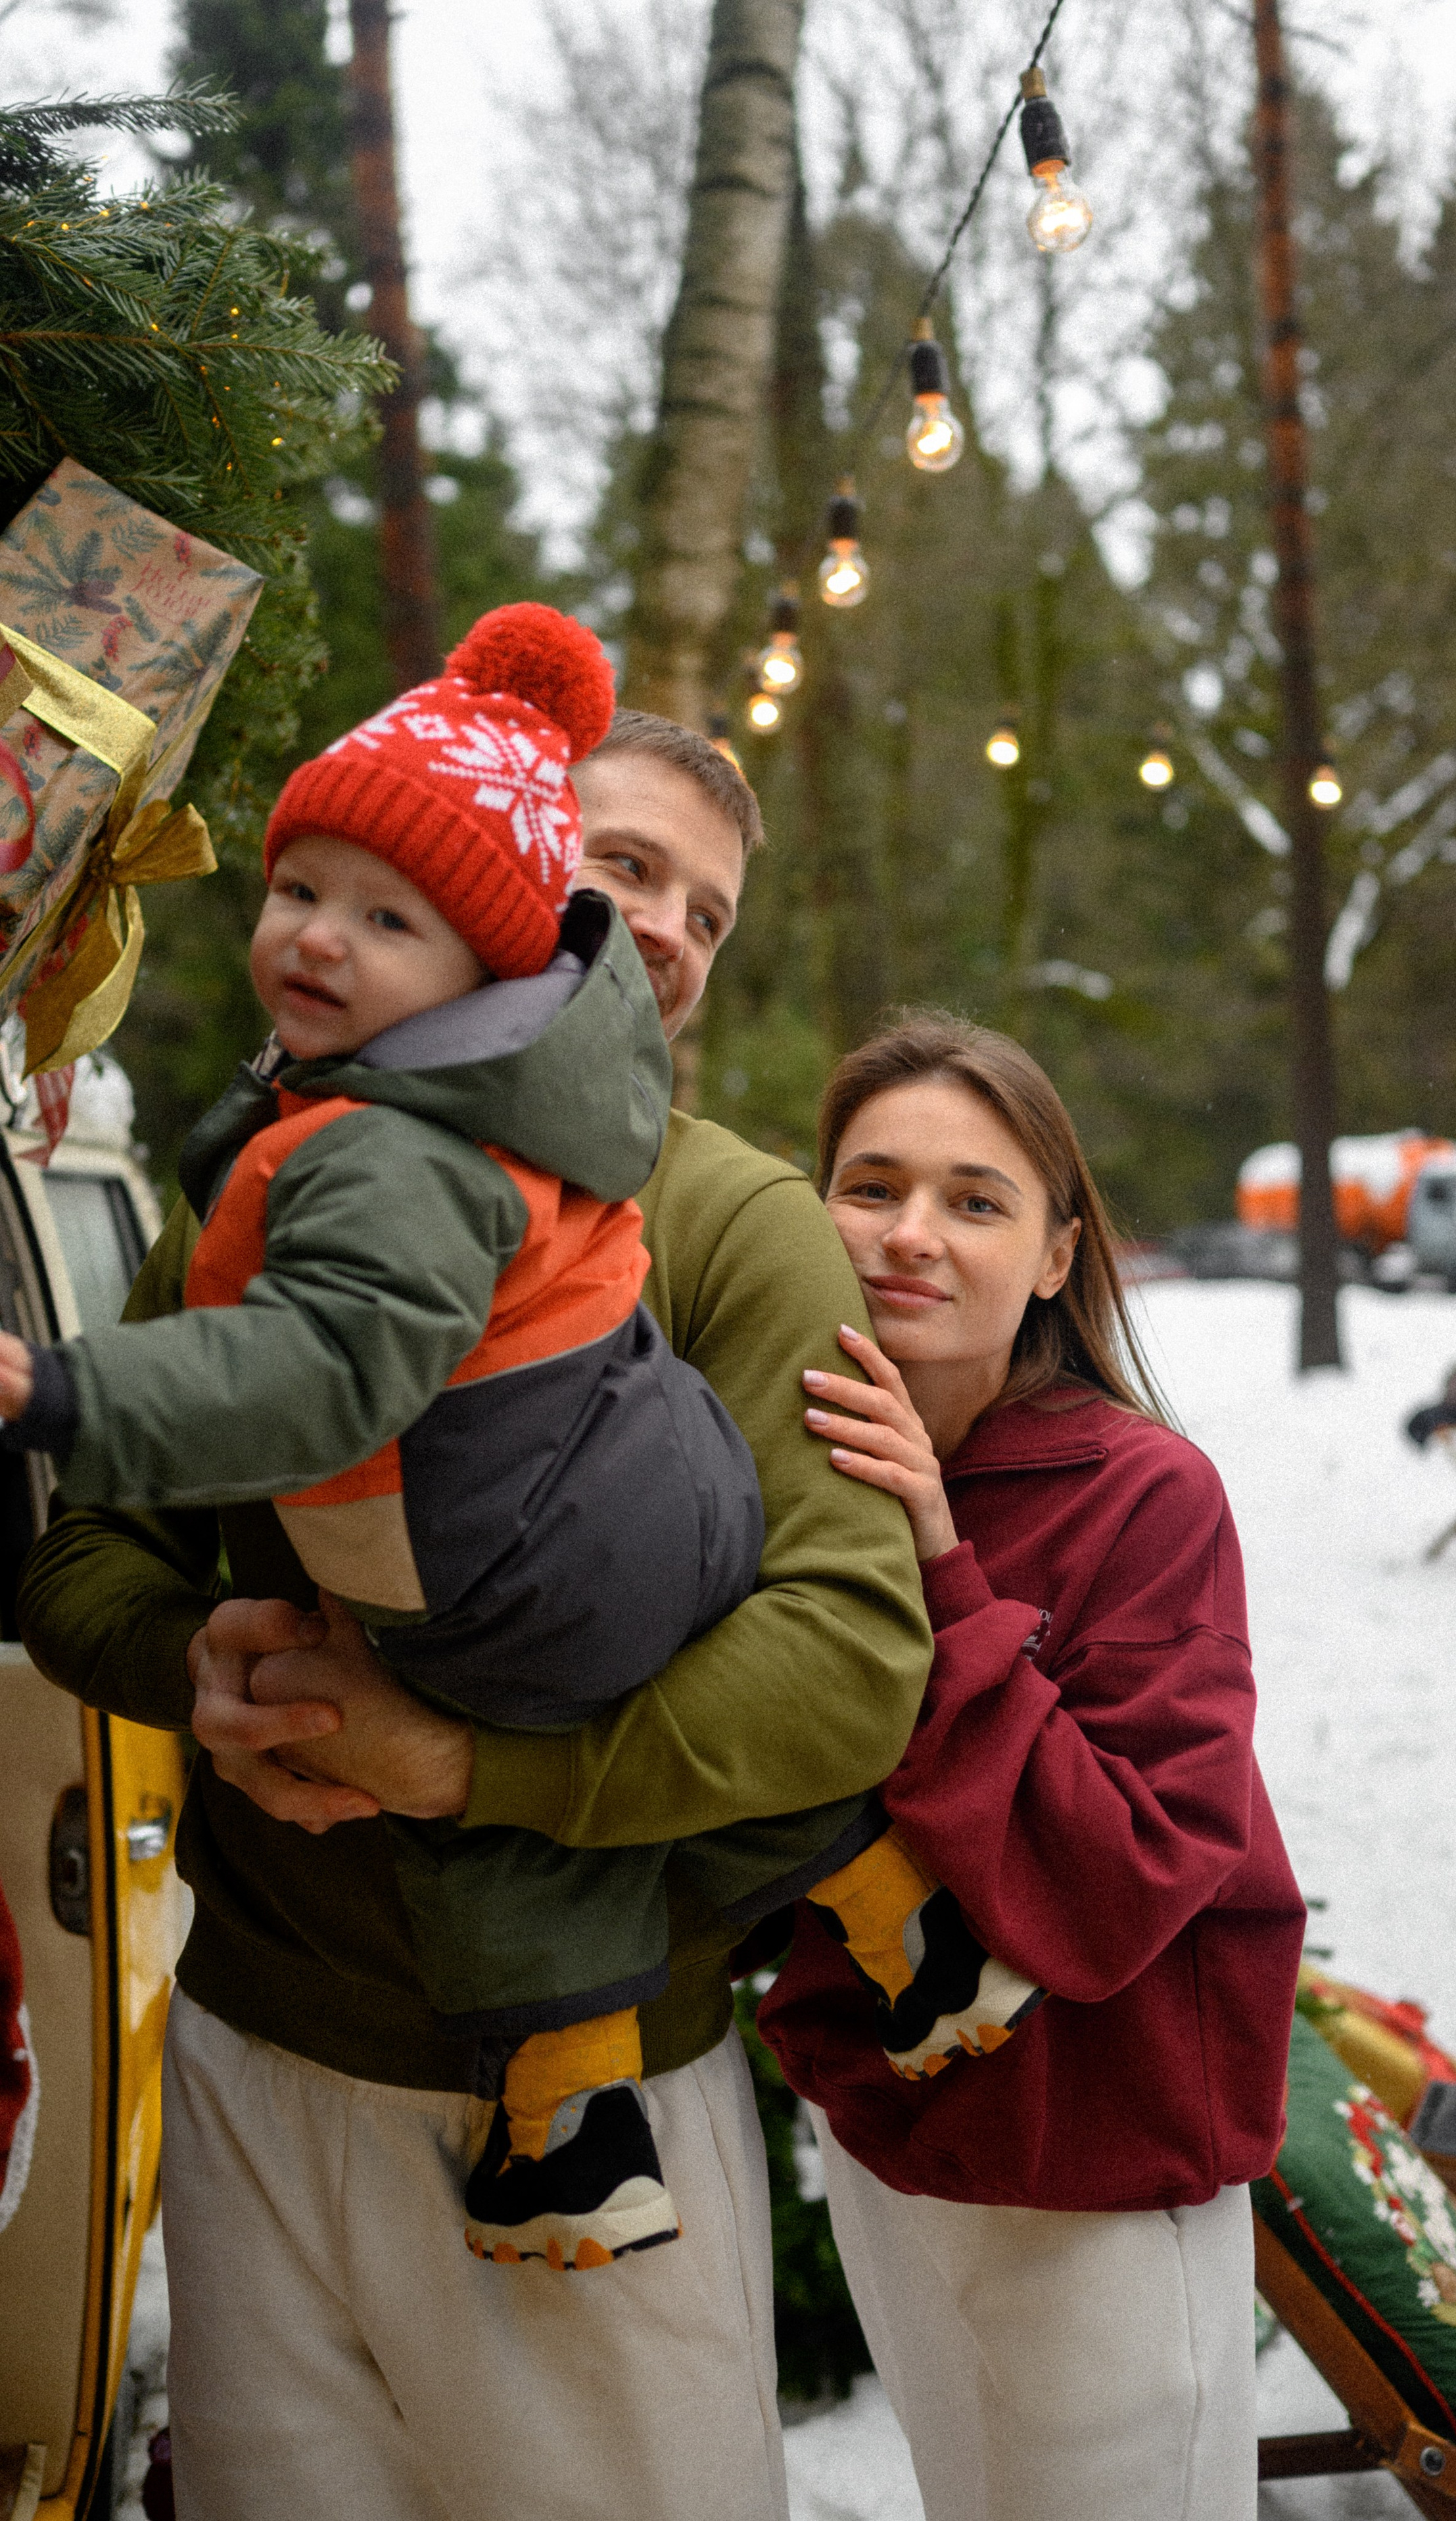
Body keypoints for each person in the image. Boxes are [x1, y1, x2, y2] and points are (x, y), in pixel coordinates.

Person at [14, 706, 932, 2520]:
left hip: (601, 2110)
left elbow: (846, 1668)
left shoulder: (741, 1228)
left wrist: (463, 1768)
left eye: (712, 908)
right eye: (630, 861)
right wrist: (191, 1670)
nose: (668, 922)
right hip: (253, 2062)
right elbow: (84, 1552)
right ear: (506, 873)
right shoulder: (286, 1169)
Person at [759, 1013, 1306, 2521]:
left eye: (974, 1198)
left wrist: (938, 1558)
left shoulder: (1147, 1497)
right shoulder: (774, 1458)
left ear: (1058, 1254)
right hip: (885, 2129)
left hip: (1099, 2164)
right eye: (869, 1186)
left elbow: (1121, 1880)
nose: (908, 1235)